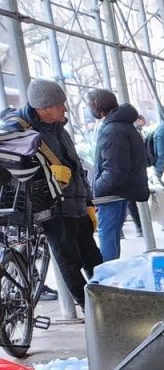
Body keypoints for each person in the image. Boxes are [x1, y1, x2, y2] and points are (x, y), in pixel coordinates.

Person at [21, 79, 100, 305]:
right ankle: (90, 310)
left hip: (77, 206)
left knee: (94, 259)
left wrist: (88, 200)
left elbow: (76, 166)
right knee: (70, 263)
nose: (65, 109)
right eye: (60, 104)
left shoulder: (59, 130)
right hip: (55, 209)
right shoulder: (22, 131)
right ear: (43, 108)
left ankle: (107, 304)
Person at [87, 88, 150, 262]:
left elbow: (114, 170)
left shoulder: (112, 130)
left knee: (107, 234)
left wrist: (96, 189)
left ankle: (107, 278)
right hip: (121, 191)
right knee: (112, 234)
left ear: (97, 107)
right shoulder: (123, 125)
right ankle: (111, 273)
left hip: (112, 193)